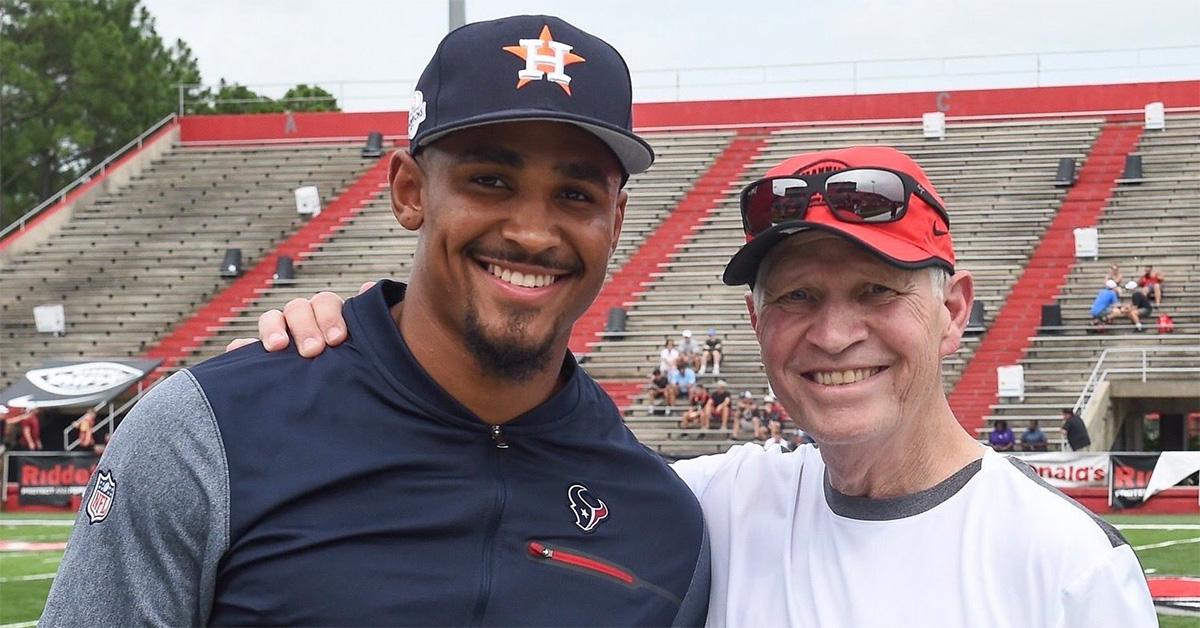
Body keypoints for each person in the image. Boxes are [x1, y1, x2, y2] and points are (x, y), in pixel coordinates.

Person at [254, 146, 1156, 625]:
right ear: (759, 327)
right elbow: (493, 475)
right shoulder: (712, 508)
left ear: (955, 310)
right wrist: (369, 336)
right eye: (798, 296)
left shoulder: (1066, 568)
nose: (834, 333)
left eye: (876, 293)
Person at [44, 16, 709, 626]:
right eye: (490, 181)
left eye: (575, 194)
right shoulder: (209, 432)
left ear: (615, 222)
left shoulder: (662, 519)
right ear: (410, 192)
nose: (533, 233)